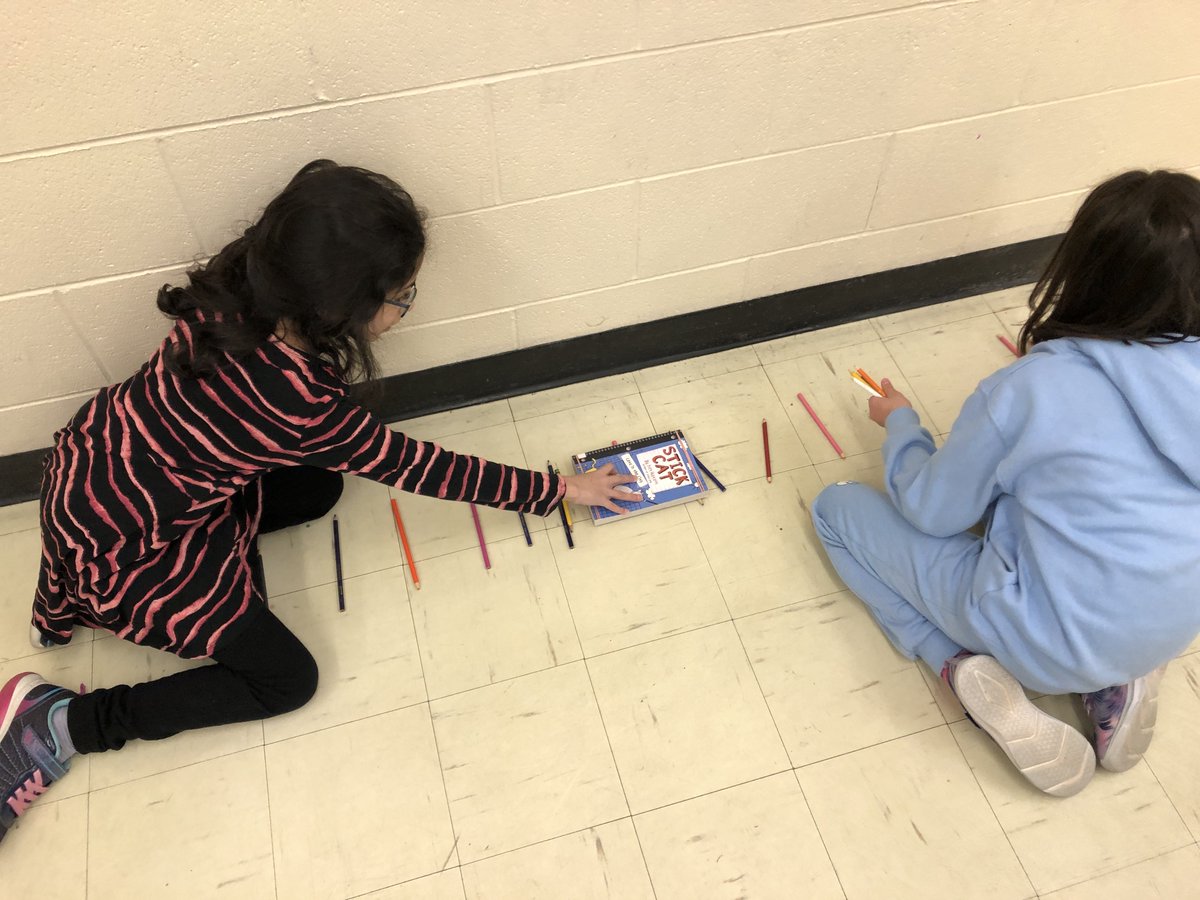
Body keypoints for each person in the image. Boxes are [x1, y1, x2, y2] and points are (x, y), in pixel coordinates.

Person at [0, 160, 639, 843]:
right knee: (287, 682)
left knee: (321, 485)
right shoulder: (299, 402)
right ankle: (61, 722)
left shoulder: (234, 285)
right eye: (403, 295)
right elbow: (424, 469)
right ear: (341, 307)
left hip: (92, 469)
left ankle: (75, 603)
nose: (408, 306)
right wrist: (560, 490)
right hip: (133, 547)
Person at [811, 169, 1200, 797]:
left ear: (1085, 268)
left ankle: (959, 664)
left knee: (835, 509)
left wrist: (902, 425)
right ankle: (1117, 680)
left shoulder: (1037, 386)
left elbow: (930, 508)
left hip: (1041, 640)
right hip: (1166, 632)